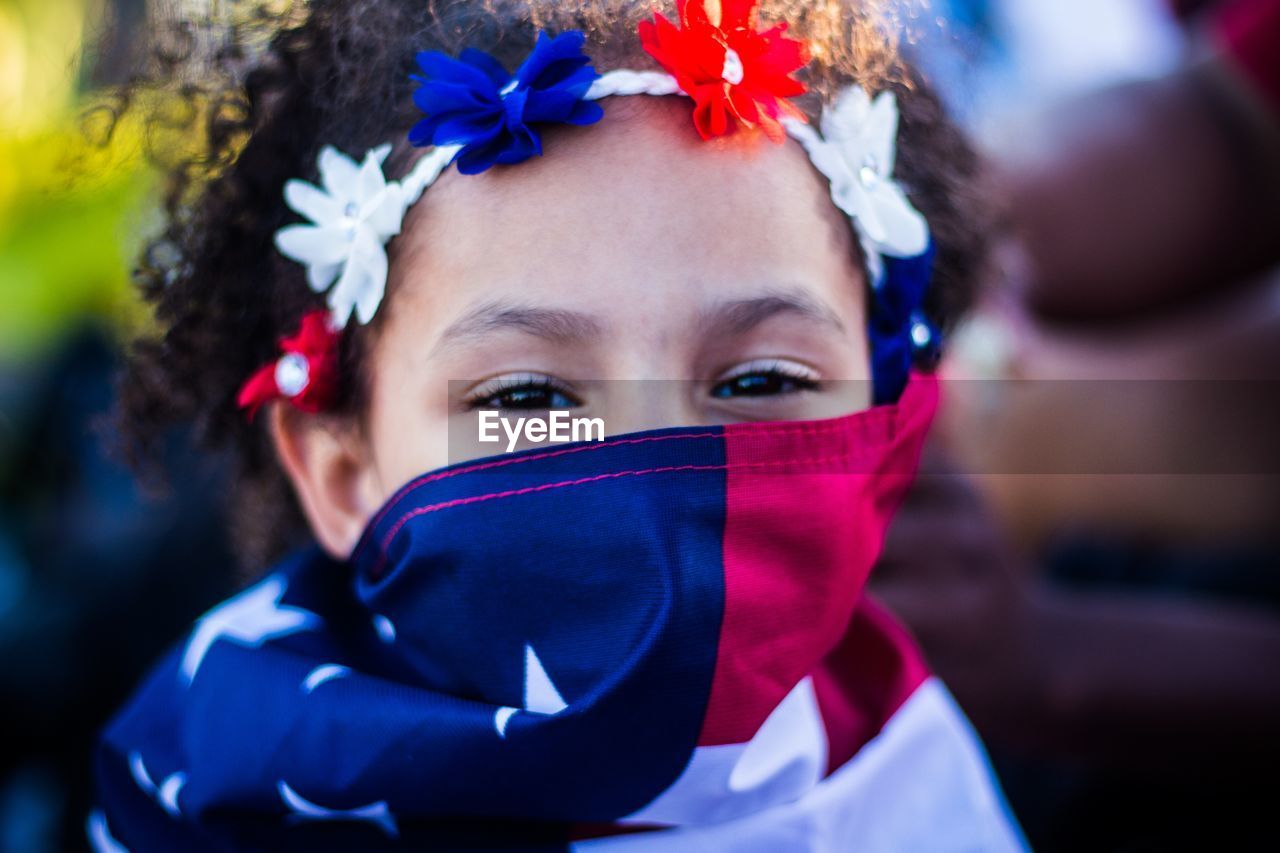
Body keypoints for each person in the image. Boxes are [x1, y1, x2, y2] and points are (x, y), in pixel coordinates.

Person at [93, 1, 1023, 849]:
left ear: (884, 422)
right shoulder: (213, 794)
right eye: (529, 400)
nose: (654, 474)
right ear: (343, 476)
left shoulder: (901, 751)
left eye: (764, 378)